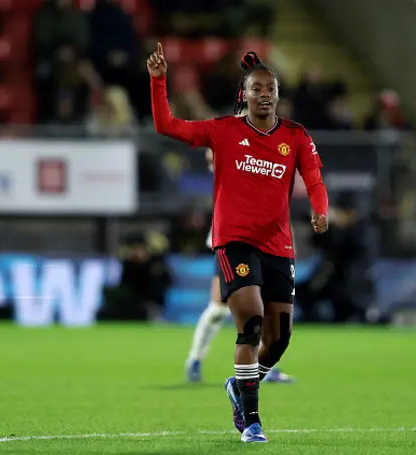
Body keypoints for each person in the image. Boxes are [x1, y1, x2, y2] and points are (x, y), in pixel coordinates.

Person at [148, 44, 328, 443]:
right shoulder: (223, 131)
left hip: (278, 245)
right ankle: (251, 421)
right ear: (243, 95)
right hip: (234, 242)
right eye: (257, 88)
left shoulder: (295, 136)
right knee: (251, 323)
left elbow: (314, 178)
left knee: (278, 339)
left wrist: (320, 209)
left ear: (278, 94)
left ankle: (240, 385)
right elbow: (167, 125)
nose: (265, 93)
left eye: (271, 88)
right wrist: (159, 81)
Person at [184, 149, 295, 384]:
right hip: (231, 242)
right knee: (218, 310)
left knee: (265, 309)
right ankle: (195, 359)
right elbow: (213, 155)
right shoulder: (233, 158)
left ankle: (266, 367)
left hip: (264, 242)